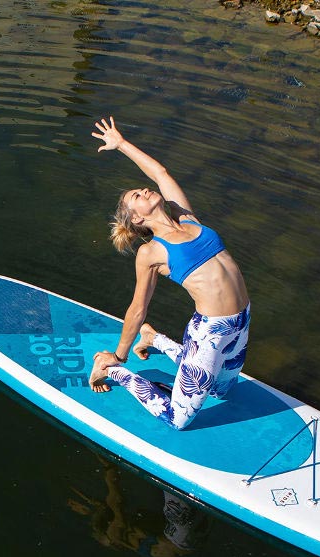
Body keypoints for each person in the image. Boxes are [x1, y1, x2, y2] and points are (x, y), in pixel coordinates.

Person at [86, 117, 252, 431]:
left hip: (241, 320)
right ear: (136, 219)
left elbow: (160, 173)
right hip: (209, 335)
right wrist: (120, 356)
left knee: (221, 391)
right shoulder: (152, 253)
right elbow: (138, 308)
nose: (144, 190)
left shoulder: (189, 220)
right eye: (137, 196)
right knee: (177, 420)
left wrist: (121, 144)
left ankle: (154, 338)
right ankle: (110, 370)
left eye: (141, 189)